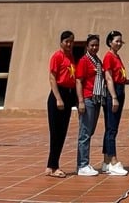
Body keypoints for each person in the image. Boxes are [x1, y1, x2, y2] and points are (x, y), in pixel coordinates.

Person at [45, 30, 76, 178]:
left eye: (71, 41)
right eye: (66, 41)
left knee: (62, 133)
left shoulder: (71, 57)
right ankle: (53, 166)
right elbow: (52, 78)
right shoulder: (57, 56)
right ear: (61, 42)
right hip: (58, 95)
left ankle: (52, 165)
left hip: (68, 95)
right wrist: (58, 98)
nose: (69, 44)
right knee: (56, 133)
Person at [75, 34, 104, 176]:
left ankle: (85, 162)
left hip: (97, 99)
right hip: (87, 99)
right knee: (84, 133)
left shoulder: (98, 61)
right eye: (92, 45)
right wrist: (80, 101)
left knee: (89, 132)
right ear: (87, 46)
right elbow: (79, 81)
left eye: (96, 45)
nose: (94, 47)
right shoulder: (84, 61)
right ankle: (82, 165)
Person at [101, 31, 129, 176]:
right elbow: (109, 78)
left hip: (120, 89)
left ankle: (106, 161)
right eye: (117, 41)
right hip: (114, 92)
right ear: (110, 42)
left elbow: (120, 77)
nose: (119, 43)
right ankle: (113, 161)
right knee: (112, 128)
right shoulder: (109, 57)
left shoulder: (117, 57)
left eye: (120, 41)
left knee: (111, 128)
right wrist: (114, 97)